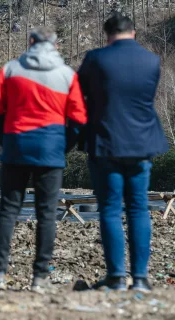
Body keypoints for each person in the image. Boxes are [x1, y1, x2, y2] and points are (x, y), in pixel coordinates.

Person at [0, 27, 87, 292]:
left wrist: (5, 139)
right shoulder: (67, 75)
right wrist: (64, 146)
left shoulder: (10, 70)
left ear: (30, 42)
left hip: (16, 146)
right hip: (50, 151)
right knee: (47, 215)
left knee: (8, 210)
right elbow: (78, 119)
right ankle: (40, 278)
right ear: (56, 45)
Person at [78, 13, 168, 292]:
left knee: (110, 209)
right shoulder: (151, 61)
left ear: (107, 35)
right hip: (142, 143)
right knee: (139, 208)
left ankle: (116, 276)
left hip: (106, 143)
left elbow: (78, 95)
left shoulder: (95, 59)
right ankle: (140, 279)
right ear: (134, 33)